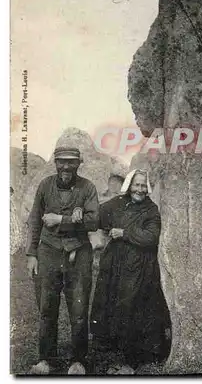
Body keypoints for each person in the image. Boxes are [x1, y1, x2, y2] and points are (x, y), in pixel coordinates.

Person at [26, 146, 99, 375]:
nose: (66, 167)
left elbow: (94, 221)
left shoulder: (88, 187)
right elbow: (35, 220)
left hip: (79, 253)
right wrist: (31, 254)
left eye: (71, 162)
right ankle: (46, 359)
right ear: (55, 163)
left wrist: (62, 219)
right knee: (47, 307)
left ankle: (78, 360)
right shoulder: (45, 186)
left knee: (78, 309)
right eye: (62, 162)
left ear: (79, 163)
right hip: (48, 252)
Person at [90, 169, 170, 374]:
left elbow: (151, 237)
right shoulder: (117, 203)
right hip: (117, 264)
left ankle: (136, 359)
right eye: (137, 185)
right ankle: (116, 350)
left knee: (135, 308)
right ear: (129, 186)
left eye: (144, 186)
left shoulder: (151, 210)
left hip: (140, 267)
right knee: (112, 304)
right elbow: (97, 215)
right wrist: (80, 211)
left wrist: (125, 233)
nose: (140, 190)